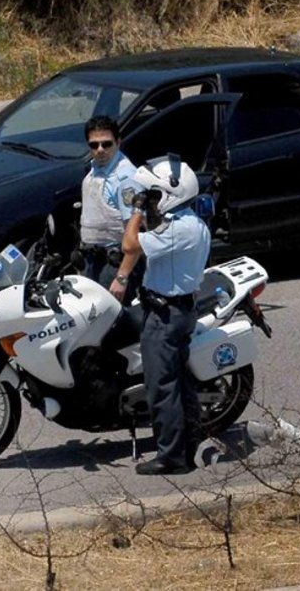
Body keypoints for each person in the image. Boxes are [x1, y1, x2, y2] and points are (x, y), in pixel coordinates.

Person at [114, 155, 211, 476]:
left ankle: (171, 456)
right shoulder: (191, 224)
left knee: (162, 387)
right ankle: (190, 443)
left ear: (171, 194)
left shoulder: (178, 230)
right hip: (177, 310)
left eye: (153, 194)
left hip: (165, 315)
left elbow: (130, 245)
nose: (151, 201)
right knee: (181, 383)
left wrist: (136, 210)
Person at [79, 115, 143, 302]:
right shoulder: (96, 168)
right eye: (94, 145)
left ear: (118, 142)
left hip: (114, 265)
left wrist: (121, 278)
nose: (100, 150)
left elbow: (135, 235)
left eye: (106, 144)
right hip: (93, 259)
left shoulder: (125, 179)